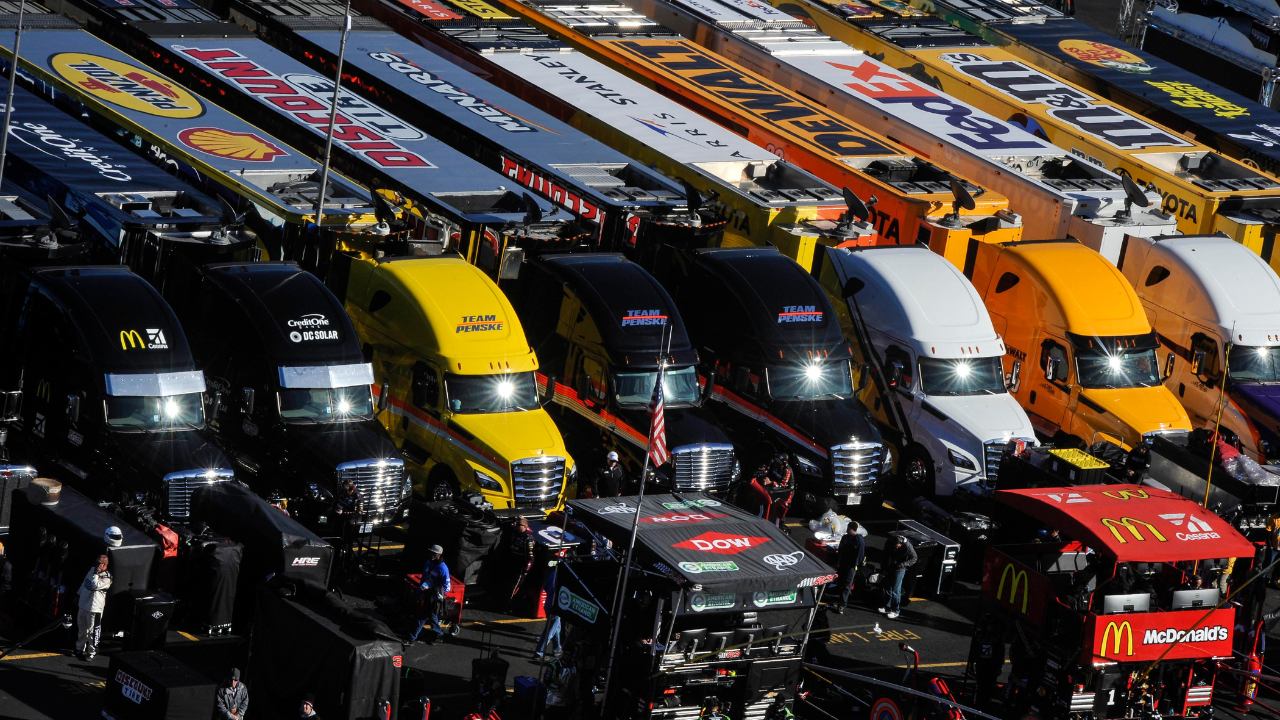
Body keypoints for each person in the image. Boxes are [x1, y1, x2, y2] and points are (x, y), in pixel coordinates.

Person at [410, 545, 451, 644]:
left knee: (423, 616)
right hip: (427, 594)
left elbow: (447, 587)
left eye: (433, 552)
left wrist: (437, 595)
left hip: (434, 597)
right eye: (431, 552)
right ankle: (438, 634)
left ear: (438, 554)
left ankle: (411, 638)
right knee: (431, 616)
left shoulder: (443, 568)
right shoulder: (428, 563)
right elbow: (424, 579)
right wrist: (420, 592)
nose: (431, 554)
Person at [76, 553, 112, 660]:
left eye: (99, 564)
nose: (97, 565)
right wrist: (78, 594)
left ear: (105, 565)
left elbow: (94, 586)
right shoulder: (92, 570)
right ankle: (80, 647)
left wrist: (96, 574)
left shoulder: (107, 578)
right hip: (83, 603)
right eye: (96, 562)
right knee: (82, 627)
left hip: (94, 607)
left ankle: (92, 651)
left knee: (93, 631)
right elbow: (85, 582)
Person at [880, 535, 916, 619]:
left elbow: (914, 558)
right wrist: (884, 567)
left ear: (901, 543)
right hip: (891, 566)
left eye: (897, 545)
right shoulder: (890, 542)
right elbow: (886, 554)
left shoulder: (908, 547)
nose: (896, 546)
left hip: (900, 569)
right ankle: (887, 607)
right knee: (888, 587)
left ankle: (896, 610)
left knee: (896, 590)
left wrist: (903, 564)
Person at [833, 522, 865, 614]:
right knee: (841, 583)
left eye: (848, 527)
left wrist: (855, 565)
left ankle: (842, 605)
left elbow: (861, 554)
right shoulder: (845, 537)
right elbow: (841, 550)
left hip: (851, 567)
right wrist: (838, 562)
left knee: (847, 585)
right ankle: (840, 601)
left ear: (852, 528)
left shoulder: (858, 539)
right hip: (843, 565)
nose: (847, 529)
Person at [507, 516, 535, 609]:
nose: (516, 525)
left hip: (521, 565)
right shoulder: (515, 532)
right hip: (512, 561)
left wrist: (525, 570)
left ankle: (509, 606)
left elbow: (530, 557)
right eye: (516, 524)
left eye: (518, 524)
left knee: (514, 586)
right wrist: (517, 518)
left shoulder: (528, 539)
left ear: (524, 526)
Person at [534, 572, 561, 659]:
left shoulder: (554, 573)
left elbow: (545, 586)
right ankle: (539, 653)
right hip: (556, 607)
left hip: (548, 604)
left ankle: (557, 649)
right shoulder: (563, 578)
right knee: (549, 631)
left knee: (556, 628)